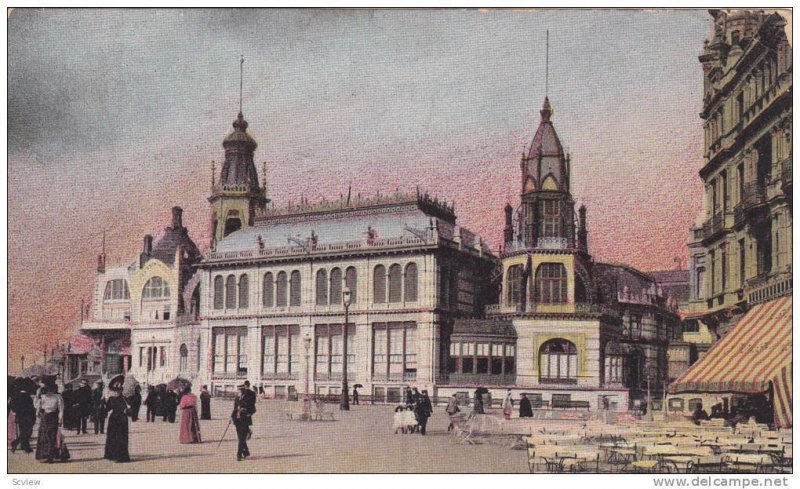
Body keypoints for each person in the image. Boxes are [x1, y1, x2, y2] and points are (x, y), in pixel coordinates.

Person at [34, 382, 64, 463]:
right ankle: (45, 456)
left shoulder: (58, 397)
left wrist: (60, 419)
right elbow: (37, 407)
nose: (46, 393)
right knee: (44, 437)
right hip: (45, 417)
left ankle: (50, 456)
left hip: (52, 417)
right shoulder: (43, 397)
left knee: (52, 436)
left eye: (47, 391)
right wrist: (38, 397)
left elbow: (61, 410)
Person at [104, 383, 131, 463]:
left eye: (118, 391)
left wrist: (127, 410)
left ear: (121, 391)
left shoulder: (124, 399)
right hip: (114, 419)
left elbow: (129, 409)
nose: (116, 392)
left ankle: (121, 457)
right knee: (112, 437)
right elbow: (108, 409)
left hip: (122, 420)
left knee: (121, 438)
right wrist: (104, 402)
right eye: (115, 391)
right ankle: (112, 455)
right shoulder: (111, 399)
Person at [232, 383, 255, 461]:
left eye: (240, 391)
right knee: (240, 438)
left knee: (242, 438)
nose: (239, 392)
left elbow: (253, 409)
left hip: (245, 420)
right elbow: (234, 409)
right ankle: (246, 452)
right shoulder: (237, 398)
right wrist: (231, 417)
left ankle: (238, 455)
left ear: (243, 391)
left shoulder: (248, 398)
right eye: (238, 391)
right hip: (237, 420)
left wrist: (247, 412)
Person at [10, 387, 35, 453]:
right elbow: (32, 408)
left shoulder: (16, 397)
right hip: (28, 417)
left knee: (23, 432)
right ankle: (16, 443)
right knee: (27, 432)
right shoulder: (28, 397)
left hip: (20, 417)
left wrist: (16, 412)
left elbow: (12, 406)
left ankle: (26, 447)